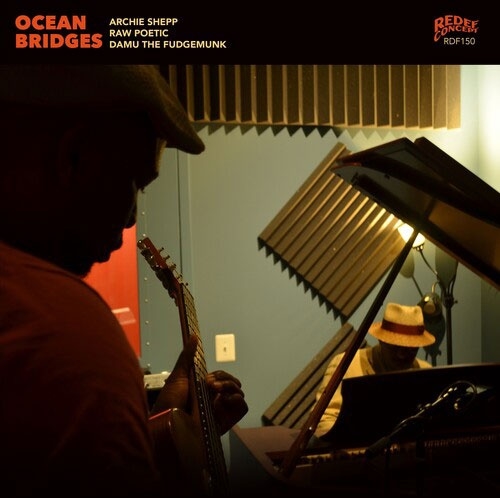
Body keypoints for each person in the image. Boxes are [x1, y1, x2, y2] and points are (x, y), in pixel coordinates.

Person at [0, 65, 248, 497]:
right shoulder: (65, 332)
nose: (133, 215)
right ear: (74, 156)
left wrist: (174, 428)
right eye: (135, 181)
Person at [314, 302, 435, 438]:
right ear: (381, 340)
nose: (401, 355)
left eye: (411, 349)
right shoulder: (346, 365)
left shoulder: (425, 371)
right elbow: (323, 420)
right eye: (395, 347)